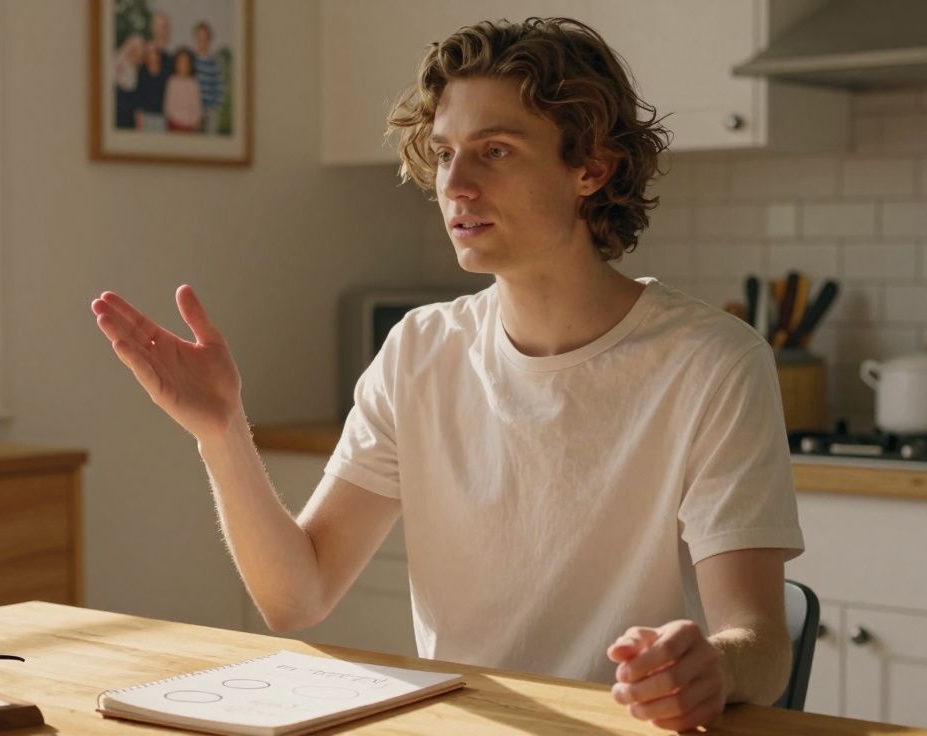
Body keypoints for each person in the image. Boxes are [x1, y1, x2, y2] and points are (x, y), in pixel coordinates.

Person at [92, 17, 802, 733]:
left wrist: (711, 666)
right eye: (443, 154)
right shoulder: (419, 351)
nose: (455, 185)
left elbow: (764, 645)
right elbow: (296, 598)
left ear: (591, 168)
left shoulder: (712, 362)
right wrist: (222, 432)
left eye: (495, 151)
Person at [191, 21, 224, 133]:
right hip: (194, 110)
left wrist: (216, 106)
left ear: (209, 40)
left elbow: (219, 86)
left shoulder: (215, 63)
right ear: (195, 40)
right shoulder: (192, 62)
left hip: (210, 110)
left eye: (205, 38)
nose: (202, 42)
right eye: (199, 38)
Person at [164, 48, 203, 132]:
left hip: (190, 124)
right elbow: (168, 101)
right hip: (174, 122)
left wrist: (196, 121)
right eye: (180, 62)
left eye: (186, 63)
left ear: (190, 65)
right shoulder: (172, 81)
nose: (183, 65)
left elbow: (196, 104)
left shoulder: (193, 83)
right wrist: (168, 117)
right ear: (175, 64)